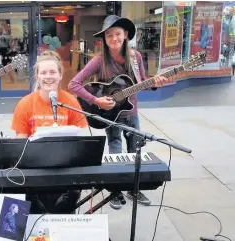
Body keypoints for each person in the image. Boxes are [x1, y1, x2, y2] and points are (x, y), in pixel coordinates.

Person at [68, 15, 174, 210]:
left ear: (125, 35)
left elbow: (142, 81)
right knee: (115, 151)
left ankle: (133, 188)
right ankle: (115, 191)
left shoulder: (136, 57)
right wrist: (95, 100)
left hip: (131, 113)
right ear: (104, 39)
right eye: (109, 35)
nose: (114, 39)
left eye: (117, 34)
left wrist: (155, 84)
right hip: (110, 114)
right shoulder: (99, 60)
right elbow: (73, 84)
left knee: (135, 152)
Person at [11, 50, 88, 214]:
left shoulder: (70, 101)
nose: (48, 76)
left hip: (66, 168)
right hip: (35, 169)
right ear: (37, 76)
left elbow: (83, 139)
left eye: (53, 72)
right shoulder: (25, 104)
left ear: (60, 75)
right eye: (43, 72)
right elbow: (20, 144)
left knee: (70, 197)